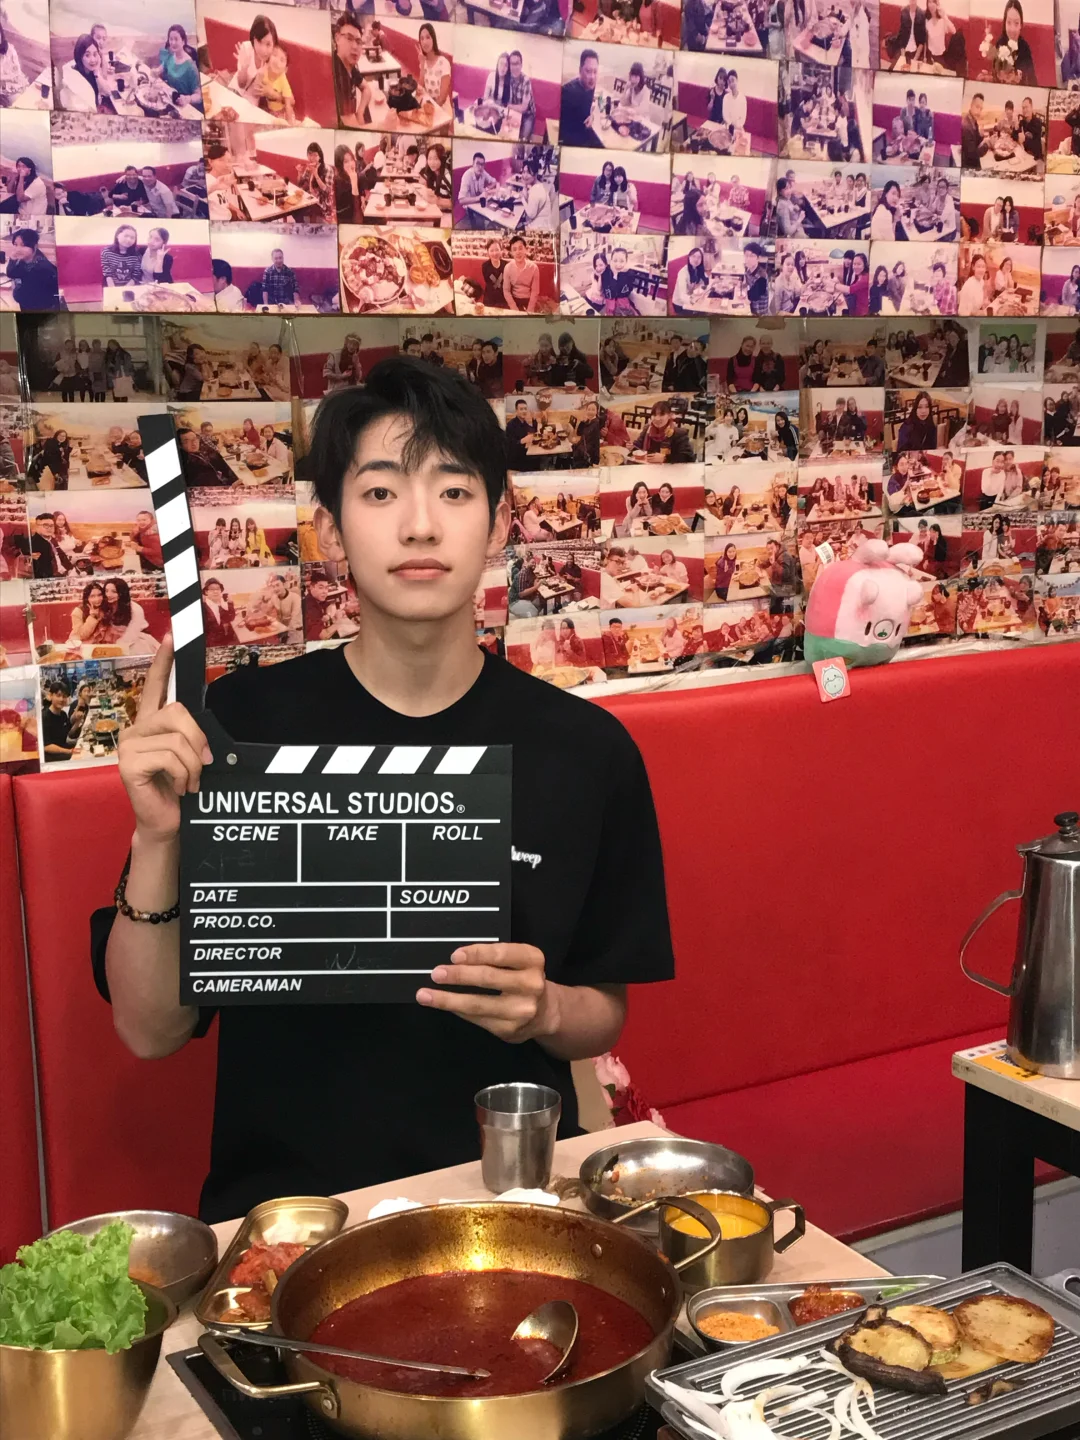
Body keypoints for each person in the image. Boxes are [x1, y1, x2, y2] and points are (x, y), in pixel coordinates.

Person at [95, 358, 674, 1214]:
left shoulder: (588, 751)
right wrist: (156, 837)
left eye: (454, 490)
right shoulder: (239, 728)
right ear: (330, 531)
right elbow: (149, 1030)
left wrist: (545, 1010)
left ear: (500, 522)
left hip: (501, 1202)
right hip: (290, 1219)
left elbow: (605, 1007)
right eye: (379, 493)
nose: (419, 525)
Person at [6, 228, 60, 311]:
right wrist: (12, 259)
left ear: (34, 246)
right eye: (16, 245)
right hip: (28, 307)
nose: (18, 249)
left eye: (23, 245)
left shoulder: (41, 268)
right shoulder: (25, 260)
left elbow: (27, 296)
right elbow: (12, 273)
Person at [561, 49, 602, 148]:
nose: (592, 77)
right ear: (580, 70)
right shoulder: (567, 92)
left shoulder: (591, 86)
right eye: (588, 71)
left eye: (595, 71)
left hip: (587, 135)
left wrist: (592, 116)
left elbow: (589, 107)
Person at [156, 24, 201, 105]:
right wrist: (156, 71)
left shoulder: (191, 66)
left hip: (184, 106)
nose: (173, 42)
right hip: (169, 100)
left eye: (176, 39)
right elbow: (162, 67)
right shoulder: (170, 56)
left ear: (183, 41)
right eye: (171, 39)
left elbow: (199, 95)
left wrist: (188, 99)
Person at [993, 0, 1035, 84]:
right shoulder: (1000, 44)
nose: (1012, 29)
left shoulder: (1024, 48)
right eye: (1009, 22)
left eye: (1016, 23)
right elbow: (994, 77)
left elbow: (1032, 80)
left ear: (1021, 25)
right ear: (1004, 23)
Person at [503, 235, 540, 312]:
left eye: (520, 248)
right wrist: (514, 308)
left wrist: (530, 309)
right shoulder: (508, 268)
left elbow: (535, 291)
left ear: (525, 249)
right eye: (514, 249)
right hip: (514, 300)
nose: (518, 252)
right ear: (511, 252)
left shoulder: (534, 268)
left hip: (529, 300)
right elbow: (506, 291)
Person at [201, 578, 237, 647]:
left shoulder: (223, 604)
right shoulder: (203, 607)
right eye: (212, 589)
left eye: (218, 589)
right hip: (213, 644)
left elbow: (231, 618)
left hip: (228, 640)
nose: (215, 591)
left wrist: (230, 603)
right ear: (206, 592)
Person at [962, 93, 989, 170]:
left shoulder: (973, 121)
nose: (979, 112)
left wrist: (981, 136)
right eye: (977, 107)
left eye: (981, 109)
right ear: (971, 105)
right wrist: (988, 144)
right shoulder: (966, 126)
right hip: (969, 167)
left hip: (974, 163)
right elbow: (973, 154)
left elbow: (974, 142)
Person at [481, 238, 508, 309]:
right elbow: (489, 285)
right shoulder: (485, 266)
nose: (495, 253)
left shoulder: (506, 265)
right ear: (488, 252)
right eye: (491, 250)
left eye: (497, 250)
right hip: (489, 299)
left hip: (504, 299)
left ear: (501, 250)